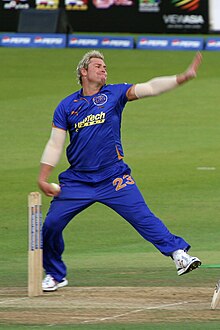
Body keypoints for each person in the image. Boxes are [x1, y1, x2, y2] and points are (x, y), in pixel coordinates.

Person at [38, 50, 202, 292]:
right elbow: (55, 143)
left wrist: (182, 77)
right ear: (84, 72)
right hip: (78, 181)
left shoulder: (114, 94)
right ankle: (55, 274)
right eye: (97, 65)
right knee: (51, 225)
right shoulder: (66, 106)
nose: (103, 69)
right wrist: (43, 177)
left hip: (113, 177)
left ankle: (178, 254)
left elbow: (151, 87)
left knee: (143, 217)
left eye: (105, 66)